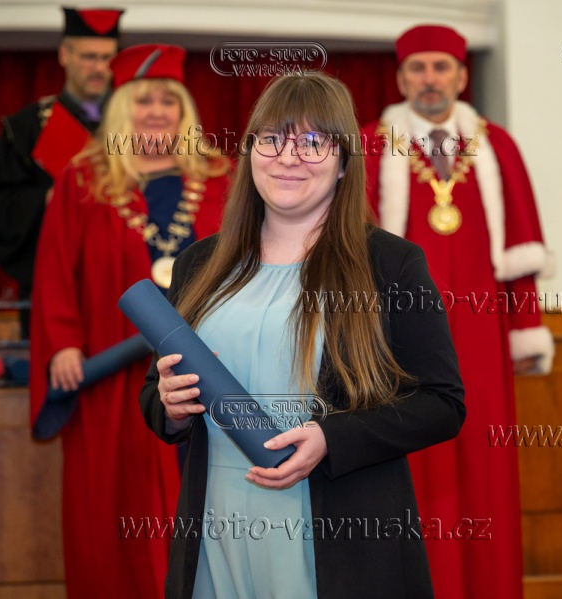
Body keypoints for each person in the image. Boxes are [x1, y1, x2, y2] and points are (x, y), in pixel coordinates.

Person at [139, 71, 466, 598]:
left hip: (339, 533)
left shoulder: (390, 263)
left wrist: (331, 440)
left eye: (313, 142)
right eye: (272, 138)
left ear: (344, 163)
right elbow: (155, 393)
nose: (288, 157)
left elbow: (442, 404)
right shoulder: (199, 263)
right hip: (218, 521)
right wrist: (171, 406)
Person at [29, 44, 230, 599]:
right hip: (111, 374)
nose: (157, 112)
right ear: (121, 108)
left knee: (208, 502)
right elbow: (55, 270)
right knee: (113, 508)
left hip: (209, 372)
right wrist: (62, 343)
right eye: (144, 100)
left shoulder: (220, 176)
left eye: (169, 100)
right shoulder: (83, 180)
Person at [362, 24, 555, 599]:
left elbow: (521, 252)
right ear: (400, 79)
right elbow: (350, 254)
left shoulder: (499, 146)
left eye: (441, 67)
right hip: (397, 341)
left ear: (462, 76)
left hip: (481, 340)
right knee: (415, 465)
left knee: (484, 470)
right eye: (418, 68)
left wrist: (526, 331)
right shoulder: (371, 145)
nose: (430, 79)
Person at [0, 6, 124, 337]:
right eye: (89, 57)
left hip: (122, 284)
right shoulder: (27, 127)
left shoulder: (135, 126)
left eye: (108, 58)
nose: (100, 68)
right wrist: (50, 198)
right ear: (64, 55)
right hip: (52, 283)